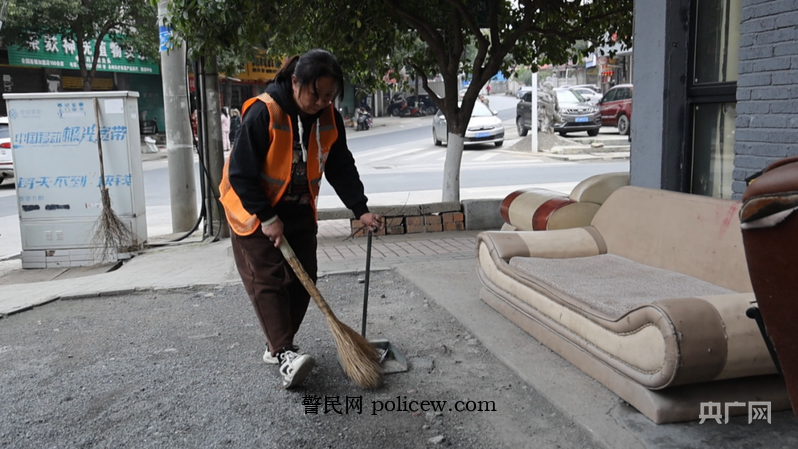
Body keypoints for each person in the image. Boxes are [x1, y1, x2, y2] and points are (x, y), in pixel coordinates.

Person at [218, 49, 382, 389]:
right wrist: (267, 217)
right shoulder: (265, 111)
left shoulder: (328, 117)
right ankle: (283, 353)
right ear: (295, 82)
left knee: (305, 276)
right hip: (251, 209)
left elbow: (340, 165)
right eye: (315, 94)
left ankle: (278, 344)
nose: (321, 102)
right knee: (268, 279)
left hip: (298, 208)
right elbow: (240, 173)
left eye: (329, 96)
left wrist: (361, 209)